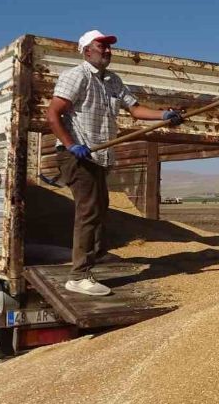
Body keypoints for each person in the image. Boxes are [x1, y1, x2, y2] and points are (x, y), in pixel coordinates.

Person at [46, 30, 184, 296]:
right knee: (88, 210)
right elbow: (52, 114)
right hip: (76, 154)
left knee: (101, 207)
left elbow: (135, 110)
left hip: (98, 155)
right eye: (102, 46)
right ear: (87, 51)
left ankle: (93, 259)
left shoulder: (112, 80)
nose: (108, 51)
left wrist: (164, 115)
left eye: (109, 47)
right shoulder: (75, 76)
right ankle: (78, 276)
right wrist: (70, 144)